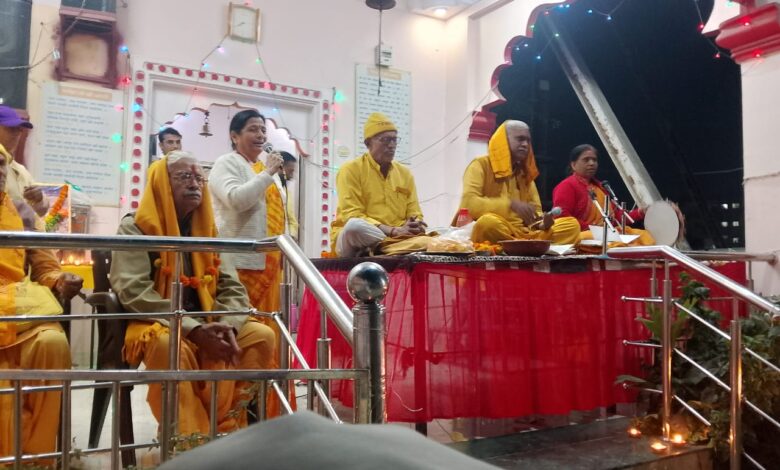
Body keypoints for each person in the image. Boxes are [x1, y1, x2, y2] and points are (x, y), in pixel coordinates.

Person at [110, 151, 276, 435]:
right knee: (169, 347)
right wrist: (193, 329)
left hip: (211, 319)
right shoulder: (135, 228)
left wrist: (229, 325)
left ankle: (229, 430)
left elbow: (232, 286)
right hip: (158, 322)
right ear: (163, 183)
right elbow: (134, 291)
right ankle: (187, 440)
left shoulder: (208, 230)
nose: (194, 184)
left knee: (261, 336)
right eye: (184, 177)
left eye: (200, 178)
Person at [0, 146, 83, 460]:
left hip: (18, 309)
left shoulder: (22, 212)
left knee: (52, 342)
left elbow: (45, 266)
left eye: (1, 165)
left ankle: (37, 460)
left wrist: (61, 279)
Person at [208, 110, 292, 417]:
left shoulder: (262, 169)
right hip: (239, 267)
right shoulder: (226, 163)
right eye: (253, 129)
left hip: (268, 266)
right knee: (243, 339)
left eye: (263, 130)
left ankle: (266, 412)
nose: (260, 135)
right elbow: (235, 199)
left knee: (269, 340)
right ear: (234, 136)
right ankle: (234, 414)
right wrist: (267, 173)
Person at [457, 120, 580, 245]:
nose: (525, 144)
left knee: (571, 225)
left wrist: (542, 224)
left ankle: (520, 245)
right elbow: (469, 204)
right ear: (504, 140)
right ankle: (530, 245)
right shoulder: (480, 165)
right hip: (499, 229)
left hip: (524, 233)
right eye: (520, 139)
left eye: (528, 140)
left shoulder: (524, 172)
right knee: (487, 223)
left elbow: (536, 211)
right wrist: (510, 204)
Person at [330, 112, 429, 257]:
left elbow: (414, 212)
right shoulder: (350, 170)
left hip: (397, 236)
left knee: (445, 234)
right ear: (368, 143)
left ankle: (386, 248)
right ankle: (392, 246)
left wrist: (415, 224)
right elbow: (353, 214)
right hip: (360, 237)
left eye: (394, 140)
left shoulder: (405, 174)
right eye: (385, 140)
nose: (392, 145)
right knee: (354, 227)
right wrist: (393, 231)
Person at [552, 144, 654, 247]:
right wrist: (594, 229)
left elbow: (615, 218)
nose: (591, 163)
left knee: (645, 236)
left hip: (606, 233)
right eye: (586, 160)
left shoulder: (601, 187)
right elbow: (562, 217)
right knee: (606, 239)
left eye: (594, 160)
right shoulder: (566, 186)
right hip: (583, 234)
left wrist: (640, 212)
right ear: (573, 165)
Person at [0, 105, 47, 217]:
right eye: (11, 128)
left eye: (19, 130)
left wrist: (39, 199)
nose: (17, 134)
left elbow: (42, 211)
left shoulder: (21, 170)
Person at [276, 151, 299, 239]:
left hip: (284, 240)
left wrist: (291, 236)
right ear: (280, 167)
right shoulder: (267, 188)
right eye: (290, 171)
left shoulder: (286, 192)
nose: (292, 176)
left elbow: (292, 220)